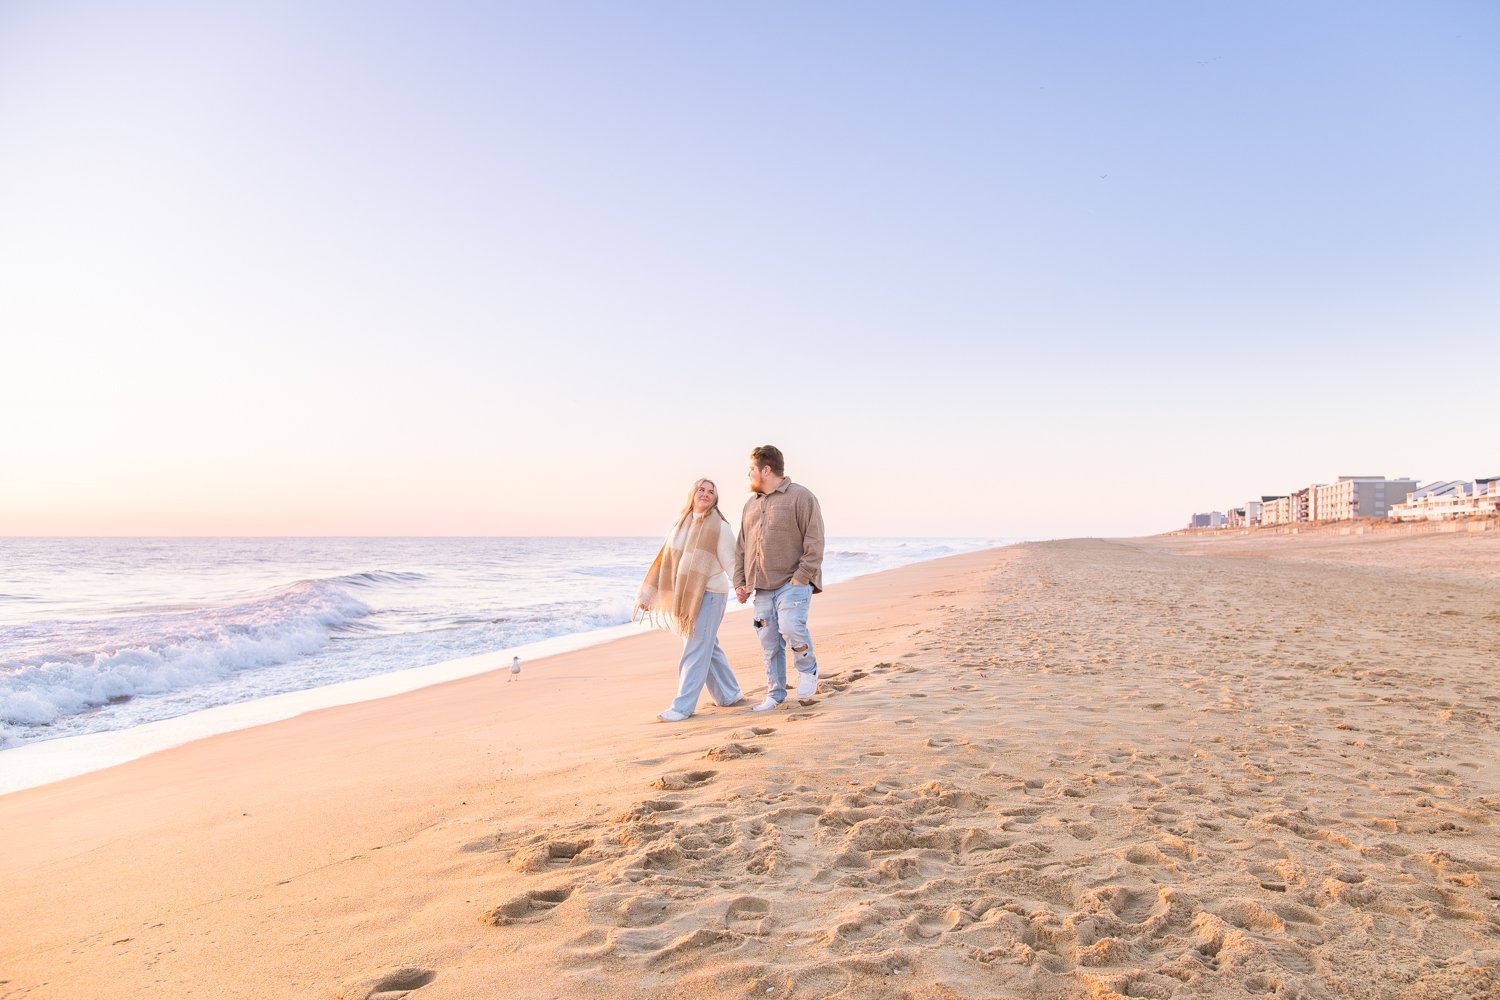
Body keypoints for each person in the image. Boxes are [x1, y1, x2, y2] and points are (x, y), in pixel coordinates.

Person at [635, 478, 744, 722]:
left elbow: (731, 561)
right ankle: (729, 694)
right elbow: (665, 560)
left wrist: (741, 586)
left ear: (715, 498)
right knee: (707, 647)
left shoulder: (720, 527)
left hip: (711, 595)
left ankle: (683, 706)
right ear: (692, 494)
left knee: (695, 649)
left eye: (711, 492)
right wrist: (649, 595)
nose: (705, 494)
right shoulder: (680, 523)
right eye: (701, 490)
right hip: (686, 596)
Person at [733, 445, 825, 711]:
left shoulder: (801, 496)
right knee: (769, 641)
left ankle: (808, 669)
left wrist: (801, 576)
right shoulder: (750, 505)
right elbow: (742, 546)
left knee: (791, 626)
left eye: (751, 469)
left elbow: (815, 539)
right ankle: (775, 694)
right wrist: (741, 582)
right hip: (761, 587)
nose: (748, 474)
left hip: (792, 583)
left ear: (766, 469)